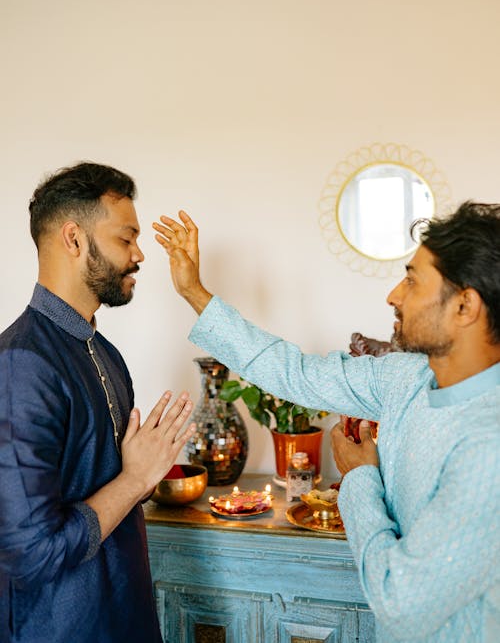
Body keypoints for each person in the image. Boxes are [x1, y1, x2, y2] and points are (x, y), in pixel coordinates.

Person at [152, 202, 500, 643]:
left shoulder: (489, 447)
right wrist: (194, 292)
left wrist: (359, 477)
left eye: (412, 280)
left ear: (465, 305)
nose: (394, 295)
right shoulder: (405, 377)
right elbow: (295, 373)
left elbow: (399, 603)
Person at [0, 162, 196, 643]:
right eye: (125, 239)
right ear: (74, 239)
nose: (140, 254)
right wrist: (135, 478)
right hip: (60, 628)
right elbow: (32, 555)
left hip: (124, 616)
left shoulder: (102, 351)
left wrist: (144, 473)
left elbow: (111, 485)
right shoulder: (20, 364)